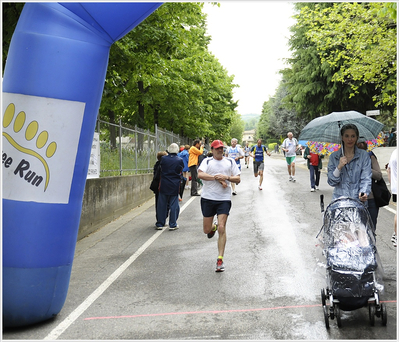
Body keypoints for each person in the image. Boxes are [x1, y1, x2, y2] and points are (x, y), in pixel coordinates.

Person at [198, 139, 241, 272]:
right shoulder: (207, 161)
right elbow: (200, 174)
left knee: (222, 227)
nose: (220, 150)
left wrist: (226, 178)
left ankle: (220, 259)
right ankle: (213, 226)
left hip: (224, 199)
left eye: (221, 148)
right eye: (217, 148)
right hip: (208, 198)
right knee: (206, 230)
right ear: (212, 150)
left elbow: (238, 179)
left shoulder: (230, 162)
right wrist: (215, 177)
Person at [327, 124, 371, 204]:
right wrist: (339, 167)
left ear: (357, 137)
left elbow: (366, 177)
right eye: (346, 136)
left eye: (353, 136)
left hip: (358, 202)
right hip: (339, 202)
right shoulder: (334, 157)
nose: (350, 139)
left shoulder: (364, 155)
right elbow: (331, 181)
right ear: (342, 138)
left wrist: (364, 192)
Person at [155, 143, 184, 231]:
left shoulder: (163, 159)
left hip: (164, 183)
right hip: (175, 184)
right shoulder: (180, 160)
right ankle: (173, 224)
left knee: (162, 204)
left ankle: (160, 223)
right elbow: (180, 170)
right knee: (174, 204)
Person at [357, 140, 383, 229]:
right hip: (354, 199)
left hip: (370, 198)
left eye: (362, 142)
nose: (360, 144)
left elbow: (379, 176)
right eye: (358, 142)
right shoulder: (348, 158)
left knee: (370, 229)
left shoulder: (371, 157)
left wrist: (366, 168)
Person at [150, 151, 167, 225]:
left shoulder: (156, 165)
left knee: (158, 203)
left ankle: (159, 218)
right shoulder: (162, 166)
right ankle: (161, 219)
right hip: (162, 186)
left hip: (157, 187)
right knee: (164, 203)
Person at [387, 148, 397, 247]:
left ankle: (395, 234)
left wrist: (392, 184)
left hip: (395, 189)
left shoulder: (394, 152)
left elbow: (388, 170)